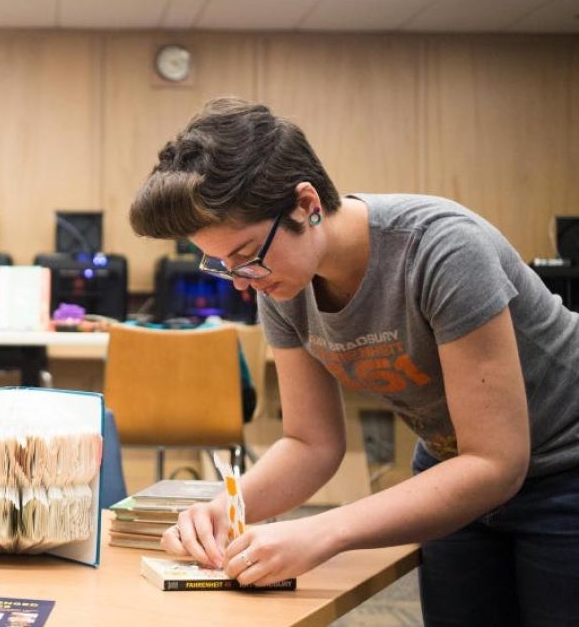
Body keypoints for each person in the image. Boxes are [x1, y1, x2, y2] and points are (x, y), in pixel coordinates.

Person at [131, 97, 579, 625]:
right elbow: (311, 443)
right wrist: (227, 505)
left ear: (306, 204)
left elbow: (497, 463)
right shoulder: (280, 284)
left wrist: (323, 531)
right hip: (452, 471)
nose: (240, 280)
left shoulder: (444, 252)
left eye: (247, 255)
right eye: (222, 264)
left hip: (563, 472)